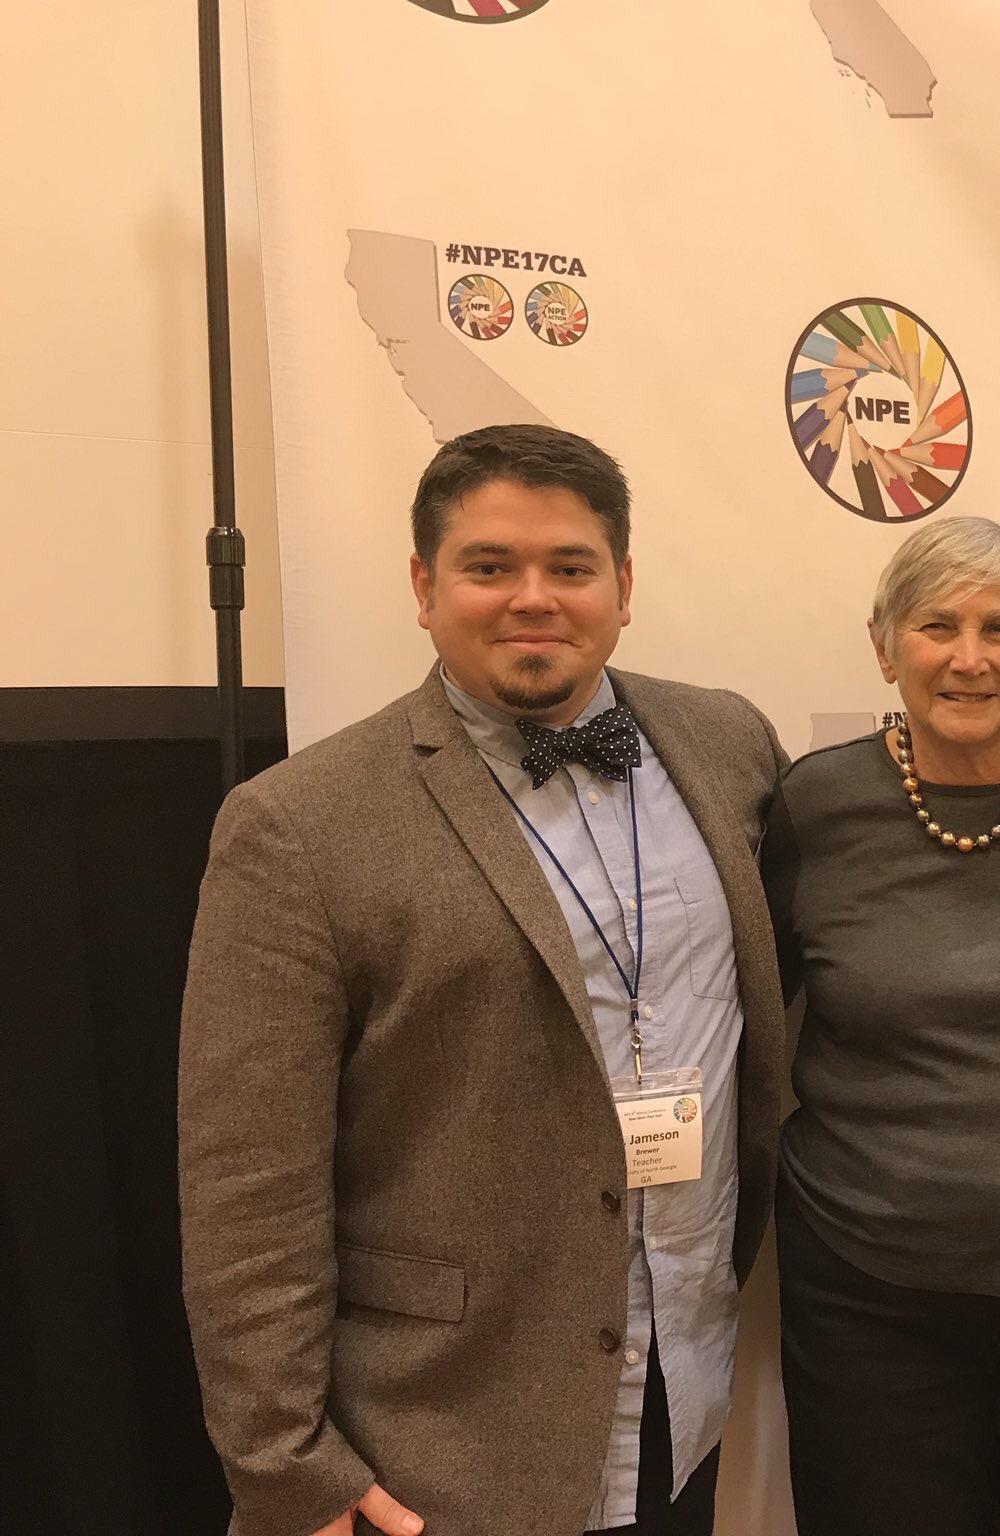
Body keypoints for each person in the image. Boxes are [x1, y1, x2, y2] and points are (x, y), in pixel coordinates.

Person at [178, 424, 788, 1536]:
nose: (532, 598)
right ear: (423, 586)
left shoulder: (728, 743)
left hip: (679, 1385)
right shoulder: (296, 825)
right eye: (490, 565)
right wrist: (283, 1463)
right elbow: (247, 1185)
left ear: (624, 585)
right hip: (443, 1440)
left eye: (570, 566)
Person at [760, 515, 1000, 1536]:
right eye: (936, 626)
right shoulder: (814, 805)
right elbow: (744, 1015)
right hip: (870, 1292)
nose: (969, 658)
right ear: (884, 645)